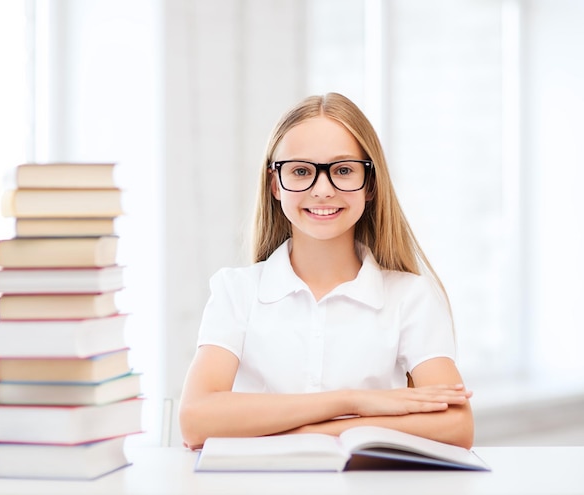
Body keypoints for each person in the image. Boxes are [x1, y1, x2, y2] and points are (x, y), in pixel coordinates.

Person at [179, 92, 474, 451]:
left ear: (370, 185)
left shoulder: (410, 296)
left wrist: (292, 432)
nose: (322, 190)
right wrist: (350, 402)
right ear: (274, 183)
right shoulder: (235, 291)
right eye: (301, 171)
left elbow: (457, 426)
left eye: (343, 170)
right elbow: (195, 420)